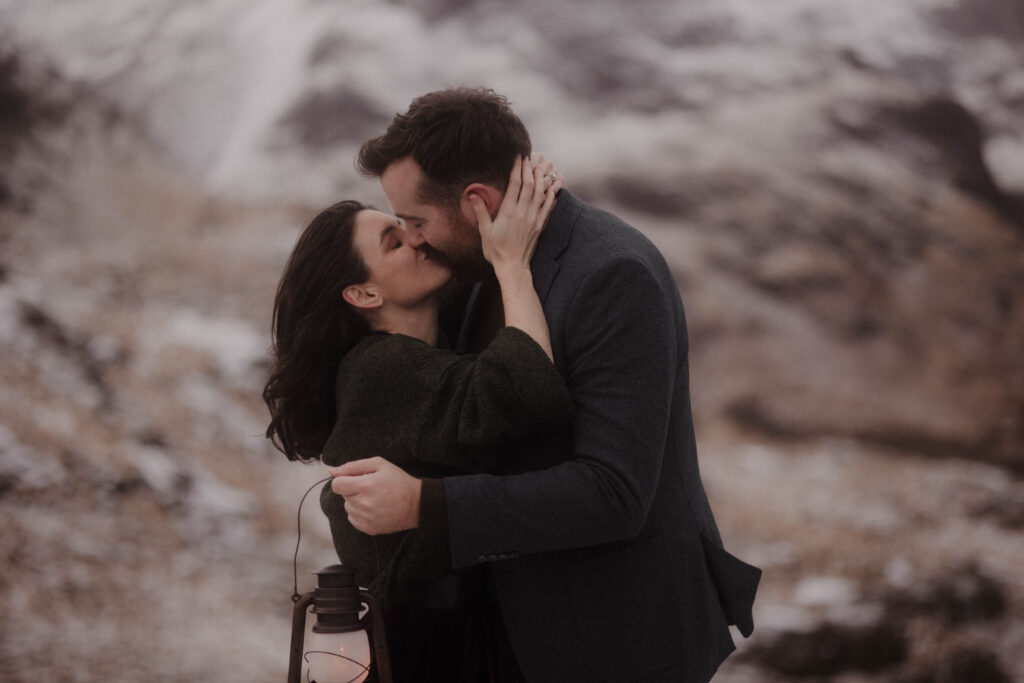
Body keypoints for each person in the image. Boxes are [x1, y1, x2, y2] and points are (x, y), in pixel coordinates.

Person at [328, 87, 762, 683]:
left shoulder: (612, 274)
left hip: (612, 640)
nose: (415, 238)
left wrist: (421, 504)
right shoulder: (478, 266)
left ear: (477, 201)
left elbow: (614, 493)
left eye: (417, 220)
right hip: (509, 632)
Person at [264, 158, 569, 681]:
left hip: (447, 635)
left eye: (407, 226)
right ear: (364, 295)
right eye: (393, 242)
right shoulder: (381, 368)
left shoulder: (426, 349)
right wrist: (512, 263)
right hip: (431, 649)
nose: (416, 240)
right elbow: (524, 390)